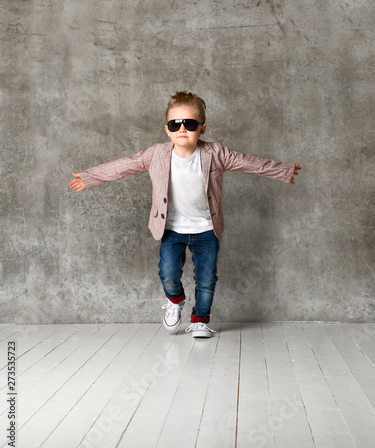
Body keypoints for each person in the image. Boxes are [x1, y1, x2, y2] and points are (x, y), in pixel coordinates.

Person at [69, 92, 300, 338]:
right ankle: (175, 300)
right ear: (167, 130)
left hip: (206, 229)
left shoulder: (215, 153)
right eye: (174, 124)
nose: (182, 129)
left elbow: (247, 162)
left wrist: (283, 171)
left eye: (189, 124)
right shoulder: (156, 154)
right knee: (168, 273)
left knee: (207, 279)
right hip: (171, 229)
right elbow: (126, 164)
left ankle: (199, 320)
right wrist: (89, 177)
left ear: (201, 129)